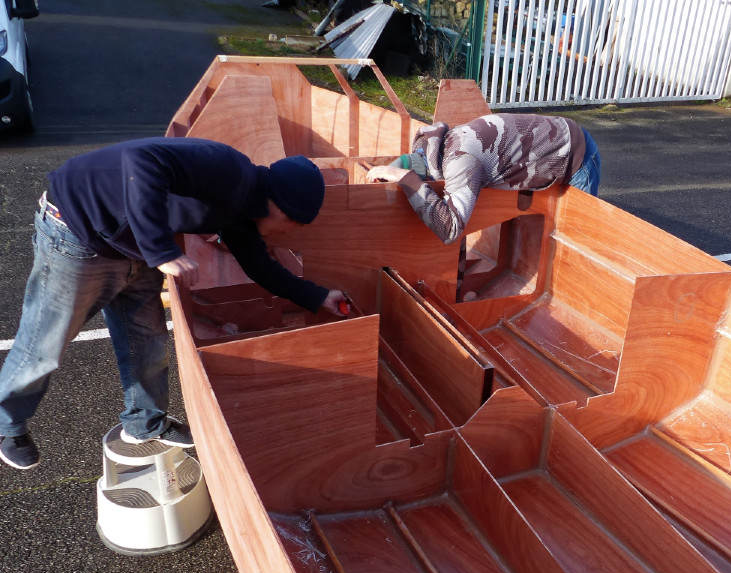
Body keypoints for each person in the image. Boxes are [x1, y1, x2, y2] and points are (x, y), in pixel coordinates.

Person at [0, 137, 346, 470]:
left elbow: (259, 266)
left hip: (132, 247)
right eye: (293, 221)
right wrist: (162, 252)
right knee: (44, 343)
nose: (291, 231)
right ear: (278, 201)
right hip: (77, 229)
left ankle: (145, 425)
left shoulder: (243, 213)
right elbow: (141, 160)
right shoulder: (228, 169)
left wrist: (317, 296)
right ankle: (7, 425)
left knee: (147, 340)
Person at [365, 113, 601, 245]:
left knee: (577, 239)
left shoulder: (460, 162)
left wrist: (408, 181)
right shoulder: (433, 147)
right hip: (548, 145)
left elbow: (450, 229)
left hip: (573, 154)